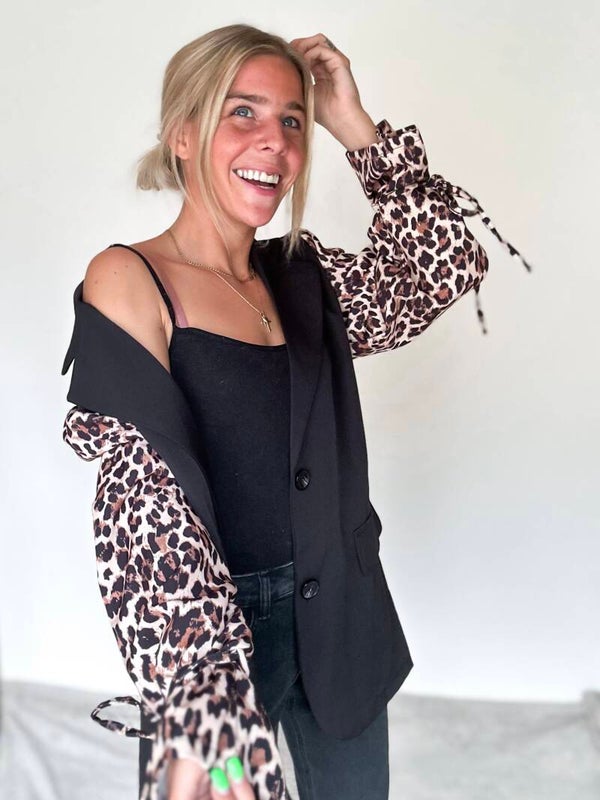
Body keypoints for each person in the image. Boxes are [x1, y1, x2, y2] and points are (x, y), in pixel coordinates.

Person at [61, 23, 530, 800]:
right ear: (184, 134)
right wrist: (205, 702)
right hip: (211, 635)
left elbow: (440, 267)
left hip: (341, 613)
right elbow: (145, 508)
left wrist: (352, 122)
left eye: (291, 119)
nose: (274, 141)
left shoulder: (305, 278)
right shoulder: (129, 277)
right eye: (242, 112)